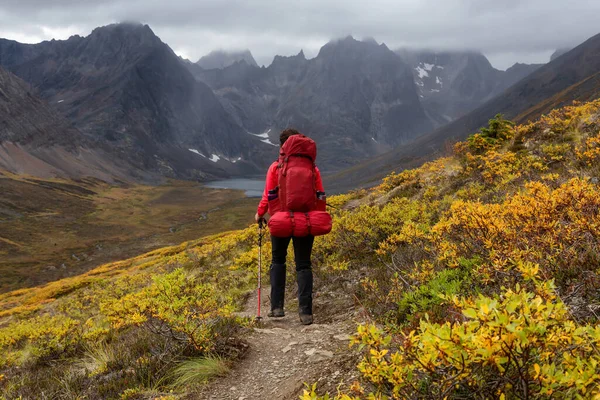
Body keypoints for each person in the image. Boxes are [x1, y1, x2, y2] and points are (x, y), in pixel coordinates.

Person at [255, 129, 325, 325]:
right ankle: (306, 313)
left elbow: (268, 195)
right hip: (305, 220)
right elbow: (320, 195)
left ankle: (277, 308)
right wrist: (315, 217)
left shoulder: (275, 168)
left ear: (282, 147)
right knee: (304, 264)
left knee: (278, 260)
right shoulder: (313, 169)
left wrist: (260, 214)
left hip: (281, 220)